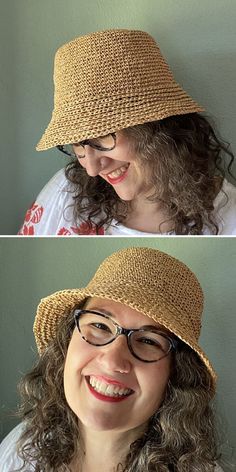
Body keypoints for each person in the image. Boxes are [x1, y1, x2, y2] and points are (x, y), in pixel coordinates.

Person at [0, 247, 227, 471]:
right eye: (100, 326)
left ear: (177, 372)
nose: (113, 361)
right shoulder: (22, 449)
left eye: (149, 341)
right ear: (66, 342)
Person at [18, 29, 236, 236]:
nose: (92, 169)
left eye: (102, 135)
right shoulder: (66, 190)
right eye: (77, 144)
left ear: (157, 128)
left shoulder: (229, 216)